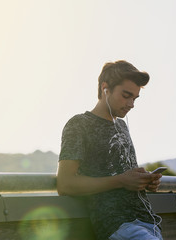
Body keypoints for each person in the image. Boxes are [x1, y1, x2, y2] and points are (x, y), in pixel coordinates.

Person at [56, 60, 163, 240]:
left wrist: (144, 181)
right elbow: (65, 184)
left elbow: (121, 174)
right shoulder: (79, 124)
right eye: (126, 95)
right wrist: (121, 181)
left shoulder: (122, 125)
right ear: (105, 88)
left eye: (135, 98)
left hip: (149, 224)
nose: (131, 104)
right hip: (118, 225)